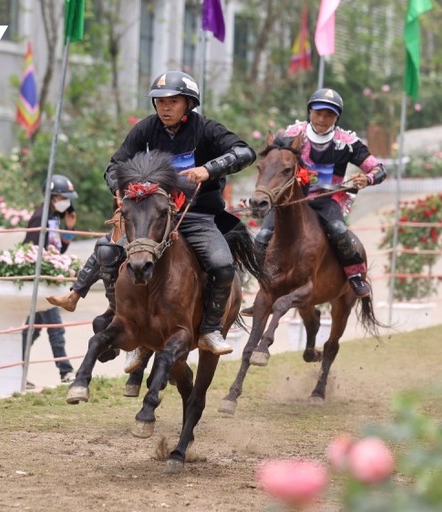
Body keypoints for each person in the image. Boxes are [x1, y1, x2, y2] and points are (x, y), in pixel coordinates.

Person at [47, 70, 256, 370]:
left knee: (222, 266)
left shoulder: (207, 129)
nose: (165, 108)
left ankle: (209, 330)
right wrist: (119, 188)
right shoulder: (145, 129)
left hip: (195, 217)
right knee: (107, 251)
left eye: (173, 101)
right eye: (160, 102)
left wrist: (208, 170)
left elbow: (245, 152)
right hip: (151, 217)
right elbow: (114, 165)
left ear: (188, 103)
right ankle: (121, 318)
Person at [250, 87, 386, 306]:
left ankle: (355, 276)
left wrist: (367, 179)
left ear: (337, 117)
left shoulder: (348, 142)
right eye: (318, 113)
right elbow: (272, 161)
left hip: (328, 200)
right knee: (262, 236)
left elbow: (378, 169)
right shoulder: (291, 135)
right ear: (310, 112)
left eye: (329, 114)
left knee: (339, 231)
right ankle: (265, 289)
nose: (323, 119)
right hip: (292, 200)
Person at [22, 174, 79, 388]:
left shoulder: (54, 217)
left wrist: (70, 229)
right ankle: (65, 371)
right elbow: (33, 251)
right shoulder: (40, 217)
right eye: (65, 197)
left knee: (32, 329)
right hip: (41, 281)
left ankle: (15, 369)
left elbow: (57, 250)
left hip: (47, 278)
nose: (68, 202)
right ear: (53, 197)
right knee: (55, 327)